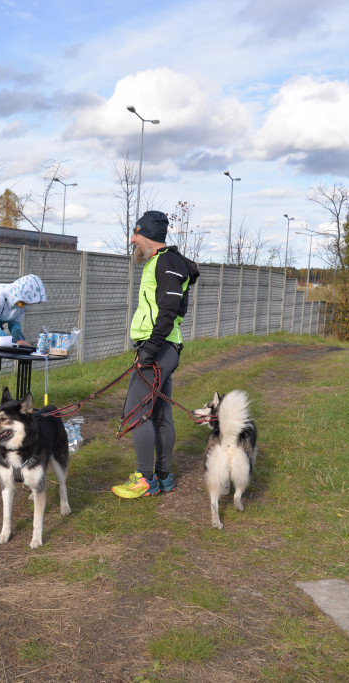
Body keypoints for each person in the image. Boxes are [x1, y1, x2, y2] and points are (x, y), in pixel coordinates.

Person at [112, 210, 200, 498]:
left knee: (137, 412)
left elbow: (168, 311)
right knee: (160, 411)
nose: (133, 239)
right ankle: (163, 477)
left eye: (135, 234)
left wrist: (148, 351)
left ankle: (144, 479)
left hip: (159, 348)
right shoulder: (161, 263)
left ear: (147, 234)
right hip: (162, 347)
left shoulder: (167, 264)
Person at [0, 274, 47, 414]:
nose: (26, 305)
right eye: (25, 301)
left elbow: (15, 324)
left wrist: (18, 339)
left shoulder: (21, 303)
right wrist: (10, 342)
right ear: (20, 293)